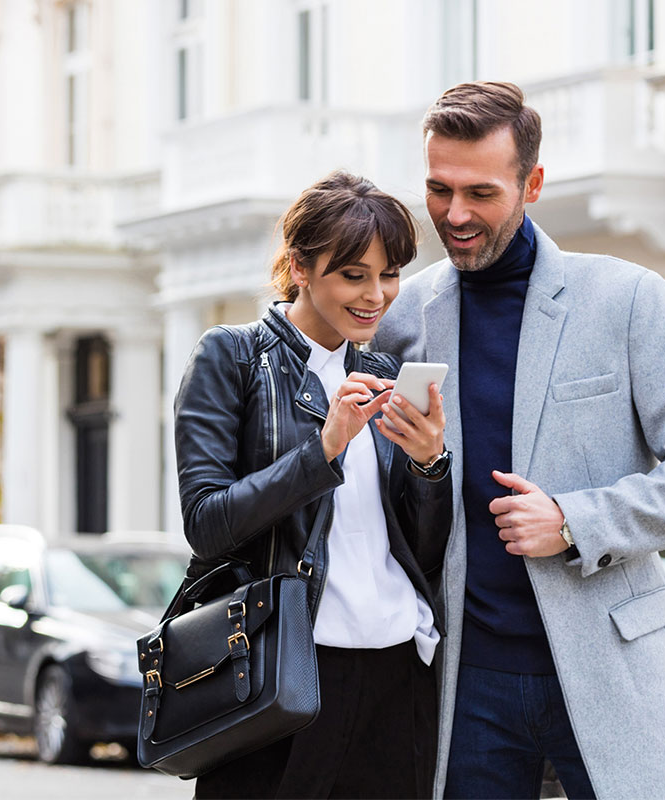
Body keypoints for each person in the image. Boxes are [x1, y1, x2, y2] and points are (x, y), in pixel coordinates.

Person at [374, 81, 665, 800]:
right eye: (438, 189)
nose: (454, 215)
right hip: (465, 679)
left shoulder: (627, 298)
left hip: (613, 664)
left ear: (533, 183)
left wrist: (577, 521)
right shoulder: (405, 314)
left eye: (480, 193)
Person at [174, 169, 453, 800]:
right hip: (282, 668)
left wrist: (430, 464)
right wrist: (324, 447)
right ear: (300, 267)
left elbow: (424, 549)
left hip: (395, 667)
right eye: (353, 275)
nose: (376, 296)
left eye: (389, 275)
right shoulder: (232, 358)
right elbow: (208, 522)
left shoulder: (386, 371)